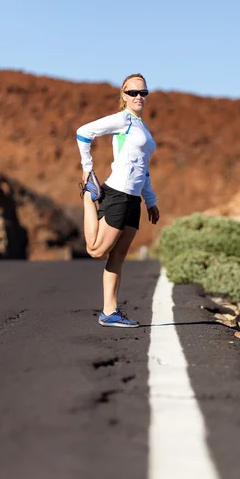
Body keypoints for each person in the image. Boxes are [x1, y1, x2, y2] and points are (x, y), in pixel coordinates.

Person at [76, 73, 159, 328]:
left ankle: (109, 312)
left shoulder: (142, 126)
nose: (138, 97)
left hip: (133, 200)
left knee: (118, 256)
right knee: (97, 250)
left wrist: (150, 200)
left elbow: (142, 168)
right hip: (118, 194)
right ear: (123, 96)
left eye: (142, 93)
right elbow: (83, 132)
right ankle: (90, 197)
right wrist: (87, 168)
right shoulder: (123, 120)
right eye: (132, 92)